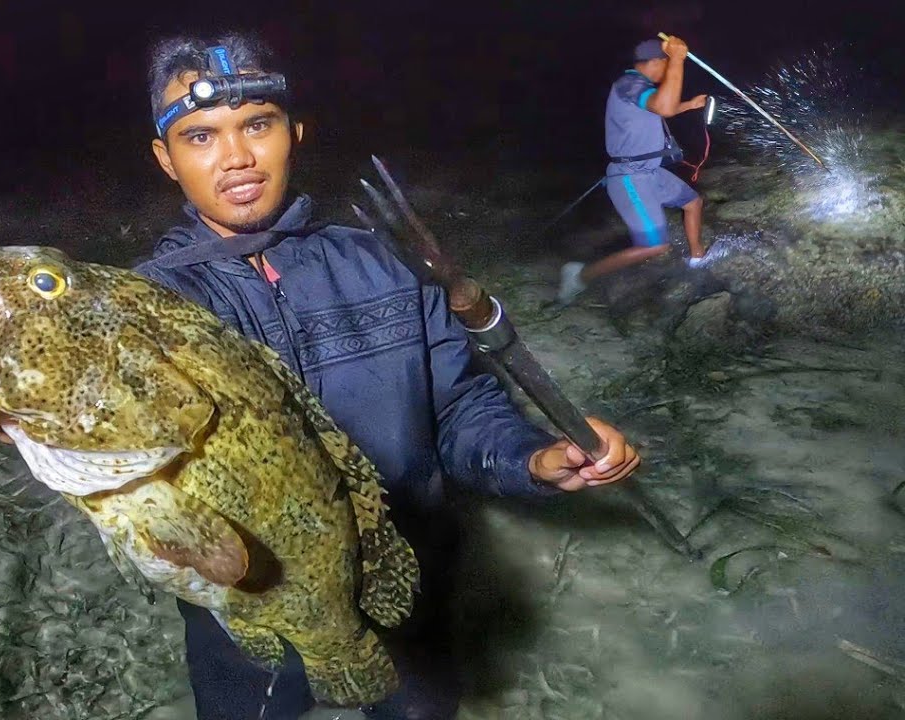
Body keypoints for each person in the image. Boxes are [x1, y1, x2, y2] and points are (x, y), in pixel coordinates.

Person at [133, 32, 641, 720]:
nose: (237, 158)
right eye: (201, 137)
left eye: (258, 124)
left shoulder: (389, 265)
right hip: (251, 610)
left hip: (407, 579)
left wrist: (533, 458)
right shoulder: (146, 307)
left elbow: (460, 407)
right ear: (166, 159)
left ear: (295, 132)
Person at [556, 36, 709, 306]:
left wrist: (690, 105)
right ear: (655, 62)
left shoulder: (641, 89)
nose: (666, 72)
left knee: (693, 203)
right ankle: (579, 276)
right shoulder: (628, 84)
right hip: (630, 178)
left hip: (650, 172)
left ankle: (698, 260)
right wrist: (678, 60)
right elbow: (662, 106)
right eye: (665, 64)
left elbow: (665, 107)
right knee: (654, 246)